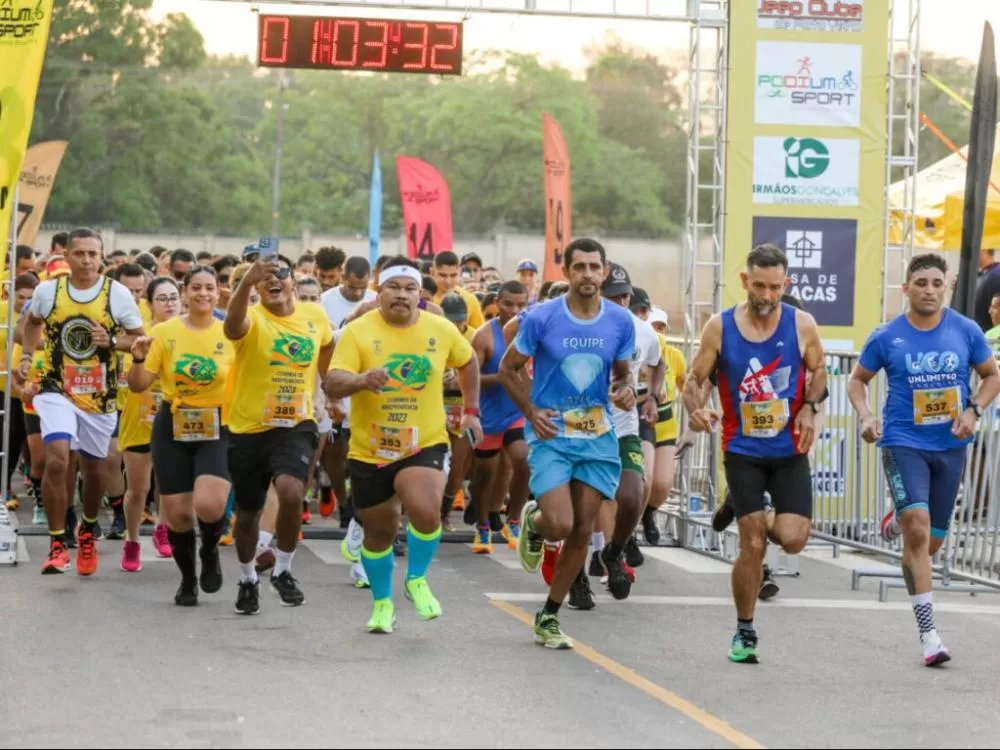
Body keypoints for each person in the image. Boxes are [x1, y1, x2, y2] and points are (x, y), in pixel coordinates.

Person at [848, 253, 1000, 666]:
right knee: (917, 530)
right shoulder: (886, 336)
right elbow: (857, 380)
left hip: (950, 447)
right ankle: (930, 635)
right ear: (906, 289)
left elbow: (991, 375)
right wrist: (866, 415)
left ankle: (897, 519)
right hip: (903, 442)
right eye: (921, 283)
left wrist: (973, 411)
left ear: (947, 287)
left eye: (937, 282)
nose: (929, 290)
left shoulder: (965, 330)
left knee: (928, 543)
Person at [682, 244, 826, 664]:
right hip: (742, 449)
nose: (766, 295)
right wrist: (697, 409)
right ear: (745, 281)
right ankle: (745, 631)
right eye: (759, 286)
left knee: (794, 540)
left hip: (788, 450)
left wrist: (808, 408)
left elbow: (818, 370)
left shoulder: (802, 323)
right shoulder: (719, 327)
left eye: (775, 287)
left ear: (787, 284)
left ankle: (745, 507)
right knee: (753, 543)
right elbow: (696, 378)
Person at [323, 256, 483, 634]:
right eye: (393, 288)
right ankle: (382, 604)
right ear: (380, 292)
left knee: (426, 510)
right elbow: (332, 382)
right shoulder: (359, 331)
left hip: (423, 442)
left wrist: (472, 410)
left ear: (420, 295)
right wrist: (362, 380)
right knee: (379, 532)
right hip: (370, 448)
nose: (402, 295)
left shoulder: (440, 329)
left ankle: (416, 579)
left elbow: (468, 361)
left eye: (410, 289)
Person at [499, 238, 637, 650]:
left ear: (605, 270)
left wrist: (625, 389)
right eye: (580, 268)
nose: (588, 275)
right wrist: (531, 412)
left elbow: (623, 374)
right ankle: (535, 521)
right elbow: (509, 369)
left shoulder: (620, 321)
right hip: (552, 434)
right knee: (559, 522)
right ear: (566, 271)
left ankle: (550, 614)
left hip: (596, 436)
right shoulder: (542, 318)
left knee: (582, 527)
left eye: (595, 267)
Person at [14, 228, 145, 576]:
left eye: (93, 254)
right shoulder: (48, 291)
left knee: (94, 470)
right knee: (56, 460)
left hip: (99, 394)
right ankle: (57, 542)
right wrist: (27, 356)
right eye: (80, 253)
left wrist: (112, 339)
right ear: (67, 256)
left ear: (102, 256)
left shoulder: (116, 295)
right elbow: (32, 324)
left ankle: (87, 528)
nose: (87, 260)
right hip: (57, 388)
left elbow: (139, 341)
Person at [224, 253, 335, 614]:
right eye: (264, 277)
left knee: (291, 491)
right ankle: (246, 578)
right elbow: (231, 326)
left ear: (294, 279)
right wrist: (244, 282)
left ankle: (284, 570)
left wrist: (329, 388)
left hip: (295, 424)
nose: (274, 281)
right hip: (248, 427)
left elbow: (328, 345)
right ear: (256, 286)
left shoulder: (315, 315)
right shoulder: (252, 319)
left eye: (281, 274)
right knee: (248, 512)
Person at [130, 266, 235, 605]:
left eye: (210, 288)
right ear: (185, 292)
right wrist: (137, 360)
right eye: (196, 288)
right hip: (173, 422)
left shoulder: (231, 333)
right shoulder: (163, 332)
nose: (203, 294)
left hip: (219, 423)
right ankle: (188, 579)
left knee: (210, 503)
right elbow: (139, 384)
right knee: (176, 514)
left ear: (218, 293)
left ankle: (209, 549)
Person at [469, 280, 530, 552]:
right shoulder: (484, 336)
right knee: (483, 475)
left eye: (520, 305)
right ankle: (482, 526)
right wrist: (503, 377)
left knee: (523, 459)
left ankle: (514, 519)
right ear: (497, 302)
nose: (513, 310)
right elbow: (469, 378)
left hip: (517, 412)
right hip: (488, 416)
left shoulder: (531, 332)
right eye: (508, 304)